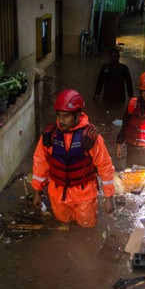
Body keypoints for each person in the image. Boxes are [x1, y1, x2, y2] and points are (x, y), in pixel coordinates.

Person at [31, 89, 115, 228]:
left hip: (84, 195)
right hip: (57, 195)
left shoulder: (90, 138)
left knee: (87, 227)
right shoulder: (49, 136)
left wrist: (109, 198)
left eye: (66, 116)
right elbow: (40, 164)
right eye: (59, 116)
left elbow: (105, 166)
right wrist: (37, 192)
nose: (61, 120)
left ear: (77, 115)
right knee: (63, 225)